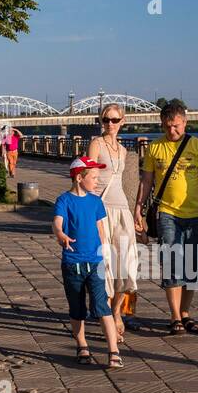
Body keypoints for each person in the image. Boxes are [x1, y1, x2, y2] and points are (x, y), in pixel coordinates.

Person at [134, 100, 198, 335]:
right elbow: (147, 181)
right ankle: (174, 317)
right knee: (172, 264)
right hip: (167, 213)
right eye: (166, 127)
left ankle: (185, 313)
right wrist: (138, 207)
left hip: (197, 214)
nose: (171, 131)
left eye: (176, 126)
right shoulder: (155, 148)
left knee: (194, 267)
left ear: (185, 122)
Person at [53, 156, 122, 368]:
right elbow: (57, 223)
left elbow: (101, 229)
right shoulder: (64, 200)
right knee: (77, 308)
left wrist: (106, 255)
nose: (97, 181)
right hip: (72, 263)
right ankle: (82, 343)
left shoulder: (96, 201)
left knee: (102, 306)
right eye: (93, 177)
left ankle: (113, 351)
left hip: (96, 263)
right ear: (79, 178)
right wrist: (61, 236)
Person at [87, 103, 139, 336]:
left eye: (115, 120)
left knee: (126, 265)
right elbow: (87, 176)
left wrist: (137, 213)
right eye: (106, 120)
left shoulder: (124, 150)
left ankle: (118, 310)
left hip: (123, 211)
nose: (110, 124)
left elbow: (128, 184)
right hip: (101, 209)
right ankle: (107, 315)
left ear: (123, 121)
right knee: (105, 265)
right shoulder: (96, 144)